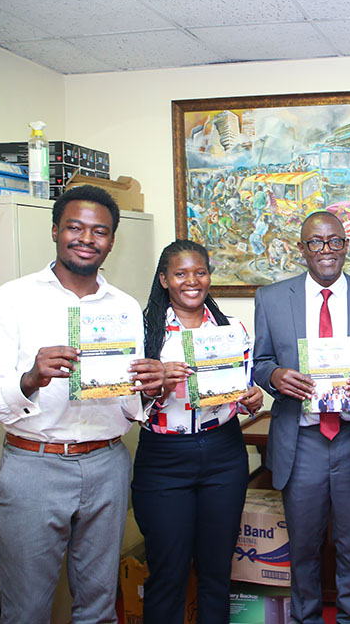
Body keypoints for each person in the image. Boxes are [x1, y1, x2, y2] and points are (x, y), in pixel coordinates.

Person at [0, 186, 165, 623]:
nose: (86, 238)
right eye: (75, 227)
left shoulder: (127, 308)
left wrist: (149, 389)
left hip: (107, 464)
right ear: (56, 230)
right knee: (26, 609)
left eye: (99, 231)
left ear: (112, 241)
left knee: (98, 607)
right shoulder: (13, 298)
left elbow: (128, 400)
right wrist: (30, 379)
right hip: (33, 466)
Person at [252, 211, 350, 624]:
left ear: (346, 246)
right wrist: (275, 376)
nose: (326, 250)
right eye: (316, 242)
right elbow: (260, 362)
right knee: (303, 549)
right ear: (302, 249)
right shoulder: (271, 298)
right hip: (302, 444)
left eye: (334, 241)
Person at [131, 240, 264, 623]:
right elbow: (122, 407)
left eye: (200, 272)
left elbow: (240, 391)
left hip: (224, 453)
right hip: (163, 460)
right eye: (180, 273)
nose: (192, 281)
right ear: (164, 279)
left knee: (217, 572)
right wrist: (157, 386)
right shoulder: (144, 333)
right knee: (168, 573)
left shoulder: (231, 330)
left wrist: (250, 398)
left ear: (209, 276)